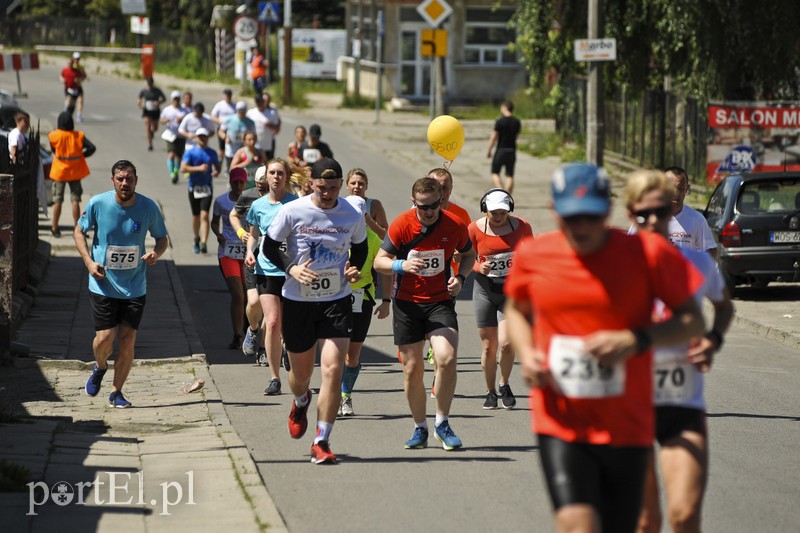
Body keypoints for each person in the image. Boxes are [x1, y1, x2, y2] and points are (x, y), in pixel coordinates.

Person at [504, 163, 706, 533]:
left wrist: (636, 339)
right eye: (572, 217)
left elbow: (693, 320)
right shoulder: (534, 255)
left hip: (626, 424)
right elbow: (516, 310)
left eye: (591, 217)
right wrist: (528, 350)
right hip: (561, 420)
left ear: (608, 212)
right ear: (554, 210)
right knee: (577, 525)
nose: (581, 227)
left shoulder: (646, 255)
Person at [625, 170, 734, 533]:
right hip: (630, 406)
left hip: (680, 402)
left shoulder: (697, 263)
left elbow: (724, 307)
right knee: (645, 521)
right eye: (645, 214)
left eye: (663, 212)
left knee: (685, 515)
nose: (656, 221)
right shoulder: (615, 267)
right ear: (631, 216)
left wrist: (713, 340)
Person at [260, 158, 368, 464]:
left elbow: (359, 249)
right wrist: (291, 268)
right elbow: (269, 247)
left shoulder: (351, 213)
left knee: (333, 370)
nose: (328, 194)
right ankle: (301, 399)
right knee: (301, 376)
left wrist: (354, 269)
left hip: (337, 300)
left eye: (334, 188)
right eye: (323, 187)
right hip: (298, 301)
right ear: (312, 184)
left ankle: (322, 440)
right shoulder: (293, 211)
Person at [374, 177, 477, 451]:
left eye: (434, 205)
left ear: (441, 202)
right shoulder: (402, 224)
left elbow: (469, 254)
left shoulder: (454, 224)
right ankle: (420, 427)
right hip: (407, 304)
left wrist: (461, 279)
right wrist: (401, 265)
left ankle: (442, 424)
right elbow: (379, 261)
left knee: (447, 357)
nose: (430, 212)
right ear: (414, 203)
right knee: (412, 369)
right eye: (423, 207)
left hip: (439, 301)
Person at [74, 160, 169, 409]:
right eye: (120, 178)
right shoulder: (98, 203)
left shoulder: (148, 207)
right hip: (103, 284)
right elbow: (78, 231)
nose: (125, 183)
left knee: (127, 341)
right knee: (105, 339)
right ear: (113, 180)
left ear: (136, 180)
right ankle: (101, 366)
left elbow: (161, 238)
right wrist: (89, 262)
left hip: (135, 286)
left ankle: (117, 392)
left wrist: (156, 254)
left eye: (129, 178)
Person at [468, 189, 532, 410]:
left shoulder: (521, 227)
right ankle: (490, 391)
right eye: (494, 212)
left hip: (510, 292)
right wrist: (478, 266)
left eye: (502, 212)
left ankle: (504, 384)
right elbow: (462, 257)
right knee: (488, 347)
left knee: (506, 343)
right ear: (485, 208)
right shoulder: (474, 229)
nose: (498, 216)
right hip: (485, 290)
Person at [245, 159, 298, 394]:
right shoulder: (257, 206)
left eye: (280, 173)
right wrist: (249, 252)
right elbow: (253, 235)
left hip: (292, 271)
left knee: (290, 324)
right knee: (273, 321)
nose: (276, 177)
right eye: (272, 173)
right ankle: (275, 378)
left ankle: (288, 350)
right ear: (266, 177)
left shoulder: (297, 204)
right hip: (266, 269)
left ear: (286, 177)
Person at [337, 195, 392, 417]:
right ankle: (335, 395)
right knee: (334, 351)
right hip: (334, 299)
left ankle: (345, 396)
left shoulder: (372, 239)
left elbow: (386, 270)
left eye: (359, 216)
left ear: (365, 217)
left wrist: (386, 301)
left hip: (363, 299)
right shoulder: (335, 235)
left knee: (353, 355)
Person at [230, 165, 269, 364]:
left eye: (266, 188)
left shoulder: (284, 198)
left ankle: (263, 349)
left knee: (270, 309)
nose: (262, 192)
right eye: (260, 187)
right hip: (253, 256)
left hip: (275, 260)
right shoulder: (248, 196)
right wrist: (240, 233)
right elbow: (233, 215)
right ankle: (252, 329)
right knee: (254, 303)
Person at [211, 168, 249, 350]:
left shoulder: (253, 200)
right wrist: (218, 235)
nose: (239, 186)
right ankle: (237, 335)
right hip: (227, 252)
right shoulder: (221, 201)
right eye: (235, 182)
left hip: (247, 252)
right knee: (238, 294)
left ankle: (250, 326)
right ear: (231, 182)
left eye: (242, 182)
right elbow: (214, 221)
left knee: (249, 296)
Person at [48, 112, 96, 238]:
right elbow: (92, 147)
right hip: (75, 172)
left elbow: (53, 150)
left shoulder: (54, 136)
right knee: (75, 200)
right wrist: (81, 156)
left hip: (60, 172)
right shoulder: (78, 136)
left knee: (57, 200)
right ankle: (77, 228)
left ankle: (55, 228)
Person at [180, 128, 220, 254]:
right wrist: (198, 168)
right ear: (196, 138)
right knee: (196, 216)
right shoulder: (190, 152)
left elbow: (217, 166)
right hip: (194, 187)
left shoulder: (212, 152)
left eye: (204, 137)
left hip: (207, 187)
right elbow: (183, 168)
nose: (202, 139)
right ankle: (196, 238)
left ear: (208, 138)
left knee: (205, 215)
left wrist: (216, 171)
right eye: (200, 137)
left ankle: (203, 242)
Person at [664, 166, 718, 260]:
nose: (676, 193)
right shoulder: (648, 217)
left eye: (681, 188)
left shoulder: (696, 219)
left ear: (686, 189)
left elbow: (711, 250)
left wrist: (699, 269)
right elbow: (632, 246)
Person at [487, 100, 521, 193]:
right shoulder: (517, 122)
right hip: (511, 150)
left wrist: (489, 150)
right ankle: (508, 195)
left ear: (505, 107)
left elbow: (494, 137)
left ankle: (502, 192)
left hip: (501, 150)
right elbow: (516, 137)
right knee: (509, 175)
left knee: (495, 173)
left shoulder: (500, 121)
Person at [346, 167, 389, 239]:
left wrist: (367, 219)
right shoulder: (341, 204)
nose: (356, 186)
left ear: (366, 186)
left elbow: (386, 236)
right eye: (353, 183)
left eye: (361, 184)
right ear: (347, 186)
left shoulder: (374, 205)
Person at [159, 90, 188, 184]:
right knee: (171, 154)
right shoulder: (167, 109)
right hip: (170, 135)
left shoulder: (184, 110)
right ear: (172, 99)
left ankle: (176, 171)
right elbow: (161, 120)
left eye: (178, 99)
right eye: (174, 99)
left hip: (181, 135)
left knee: (179, 157)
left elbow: (188, 121)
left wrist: (182, 120)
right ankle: (172, 174)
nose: (176, 100)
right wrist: (166, 120)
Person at [220, 101, 256, 171]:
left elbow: (254, 135)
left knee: (242, 170)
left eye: (243, 111)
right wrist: (225, 137)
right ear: (236, 110)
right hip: (231, 149)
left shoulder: (250, 122)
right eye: (240, 111)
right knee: (231, 170)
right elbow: (220, 131)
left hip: (244, 150)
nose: (241, 113)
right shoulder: (229, 119)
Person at [246, 94, 281, 159]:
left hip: (267, 144)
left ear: (263, 101)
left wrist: (270, 125)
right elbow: (246, 128)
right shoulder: (250, 113)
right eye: (257, 101)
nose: (259, 103)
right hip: (255, 144)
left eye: (260, 101)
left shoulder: (272, 112)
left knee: (268, 164)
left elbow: (277, 128)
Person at [137, 76, 166, 151]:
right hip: (147, 111)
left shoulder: (157, 90)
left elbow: (164, 98)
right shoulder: (144, 91)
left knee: (155, 128)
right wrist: (140, 103)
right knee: (148, 126)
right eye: (148, 84)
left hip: (155, 111)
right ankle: (149, 143)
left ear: (152, 84)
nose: (149, 86)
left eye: (151, 84)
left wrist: (158, 102)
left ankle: (152, 132)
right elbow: (139, 98)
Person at [210, 89, 236, 163]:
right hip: (222, 128)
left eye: (229, 96)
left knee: (231, 146)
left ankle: (230, 162)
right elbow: (213, 116)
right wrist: (219, 122)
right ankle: (219, 162)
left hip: (232, 129)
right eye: (226, 95)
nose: (228, 97)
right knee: (222, 147)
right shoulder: (220, 105)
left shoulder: (234, 106)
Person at [60, 52, 87, 121]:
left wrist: (79, 80)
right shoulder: (66, 69)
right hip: (69, 88)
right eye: (75, 59)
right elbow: (62, 75)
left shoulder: (80, 68)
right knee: (70, 102)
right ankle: (66, 112)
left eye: (77, 59)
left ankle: (78, 115)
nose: (76, 60)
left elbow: (83, 76)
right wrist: (63, 80)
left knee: (80, 100)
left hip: (77, 87)